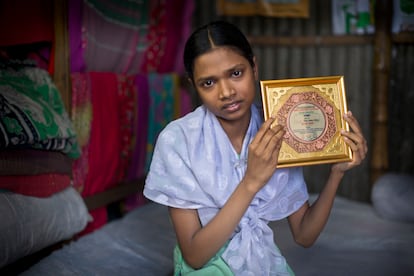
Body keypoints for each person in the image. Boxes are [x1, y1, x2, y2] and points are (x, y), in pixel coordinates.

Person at [143, 20, 368, 275]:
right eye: (208, 83)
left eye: (236, 73)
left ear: (254, 67)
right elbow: (195, 256)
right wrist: (251, 182)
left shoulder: (279, 129)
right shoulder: (178, 140)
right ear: (193, 85)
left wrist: (336, 173)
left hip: (263, 265)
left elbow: (305, 235)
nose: (226, 92)